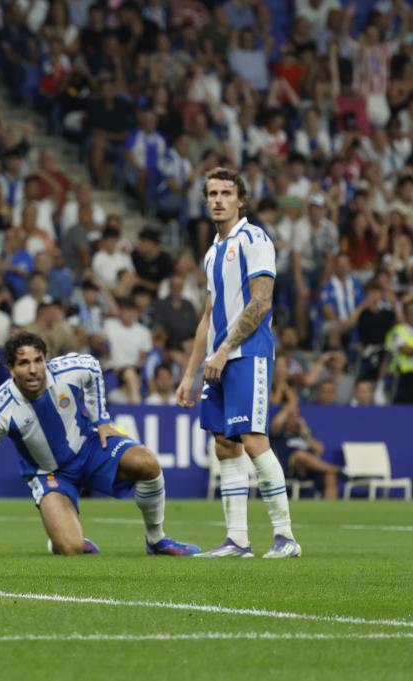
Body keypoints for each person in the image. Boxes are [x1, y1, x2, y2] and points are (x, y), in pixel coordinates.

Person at [0, 332, 200, 558]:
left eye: (38, 360)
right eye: (24, 363)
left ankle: (156, 539)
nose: (33, 370)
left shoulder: (68, 370)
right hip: (49, 474)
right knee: (71, 548)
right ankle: (61, 536)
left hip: (89, 449)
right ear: (10, 368)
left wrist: (101, 418)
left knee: (147, 463)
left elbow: (93, 367)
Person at [175, 167, 301, 559]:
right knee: (224, 444)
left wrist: (225, 349)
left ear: (240, 200)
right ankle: (237, 541)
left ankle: (285, 537)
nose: (218, 200)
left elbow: (261, 301)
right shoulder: (212, 252)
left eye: (226, 193)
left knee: (253, 439)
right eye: (212, 193)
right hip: (217, 360)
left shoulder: (254, 239)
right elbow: (207, 317)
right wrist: (189, 374)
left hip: (247, 353)